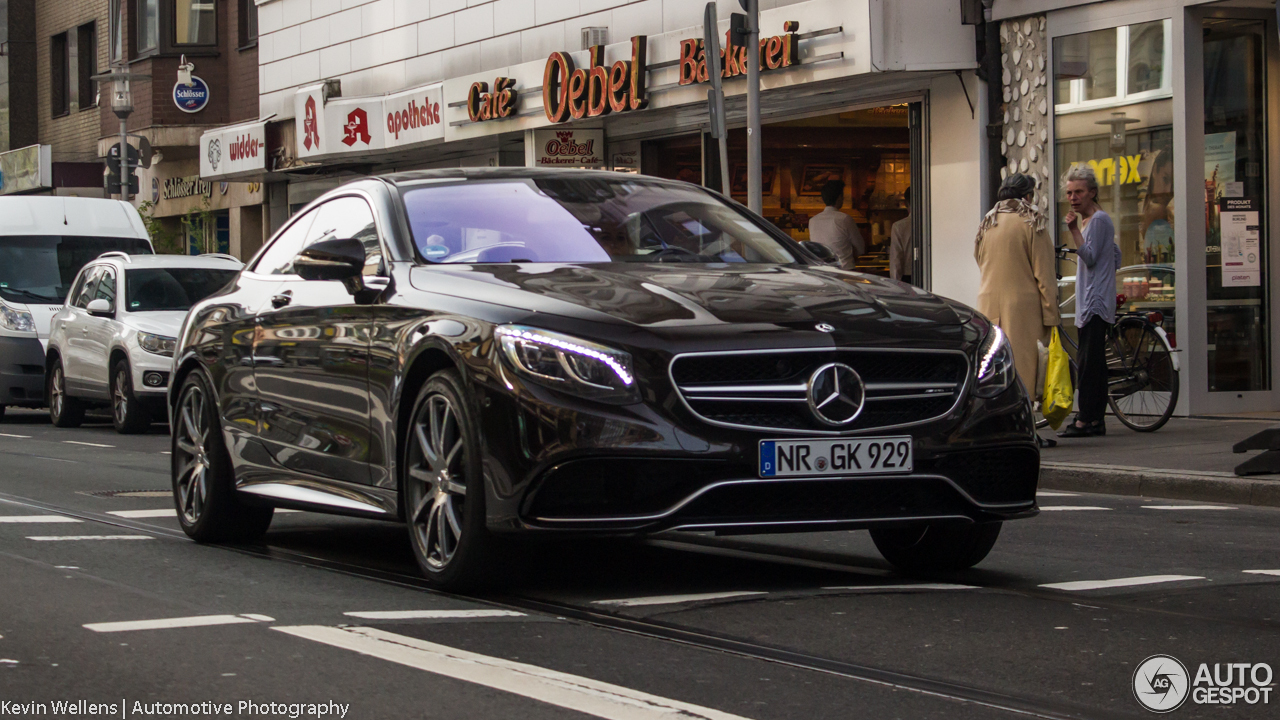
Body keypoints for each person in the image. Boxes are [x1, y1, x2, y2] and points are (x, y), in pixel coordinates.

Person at [974, 174, 1060, 447]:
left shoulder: (987, 222)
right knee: (1024, 370)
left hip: (989, 304)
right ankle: (1026, 433)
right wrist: (1051, 316)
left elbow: (979, 258)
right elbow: (1045, 275)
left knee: (996, 369)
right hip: (1023, 307)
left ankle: (1001, 429)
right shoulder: (1032, 222)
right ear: (1028, 196)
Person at [1060, 165, 1120, 438]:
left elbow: (1091, 256)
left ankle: (1086, 420)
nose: (1073, 197)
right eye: (1070, 192)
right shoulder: (1098, 221)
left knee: (1087, 365)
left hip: (1094, 301)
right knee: (1093, 364)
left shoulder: (1095, 221)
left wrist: (1073, 230)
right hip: (1096, 299)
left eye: (1079, 192)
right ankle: (1095, 419)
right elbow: (1114, 255)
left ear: (1092, 192)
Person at [809, 180, 865, 270]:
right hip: (845, 270)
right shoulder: (845, 219)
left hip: (823, 270)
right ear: (839, 197)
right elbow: (860, 248)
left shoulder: (812, 221)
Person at [890, 187, 912, 283]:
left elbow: (896, 260)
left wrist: (895, 284)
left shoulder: (899, 226)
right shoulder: (934, 224)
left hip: (908, 277)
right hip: (933, 274)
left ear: (906, 203)